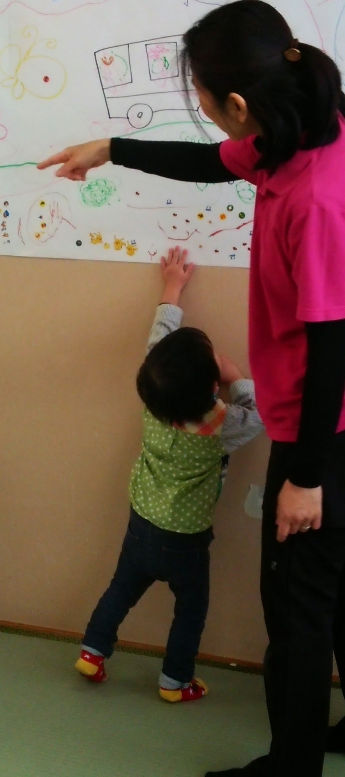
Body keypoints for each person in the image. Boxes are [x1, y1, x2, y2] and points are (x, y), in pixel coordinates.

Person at [39, 0, 345, 777]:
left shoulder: (313, 198)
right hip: (319, 424)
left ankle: (293, 766)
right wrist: (110, 148)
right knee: (326, 595)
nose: (204, 112)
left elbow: (331, 347)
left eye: (203, 99)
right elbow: (211, 163)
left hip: (323, 433)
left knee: (297, 614)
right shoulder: (303, 130)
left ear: (237, 104)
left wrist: (307, 477)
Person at [77, 247, 263, 702]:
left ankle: (92, 651)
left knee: (121, 589)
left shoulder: (154, 394)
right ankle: (174, 682)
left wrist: (173, 287)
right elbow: (260, 415)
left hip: (142, 522)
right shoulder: (223, 424)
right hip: (186, 540)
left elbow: (159, 339)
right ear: (211, 385)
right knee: (191, 610)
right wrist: (237, 377)